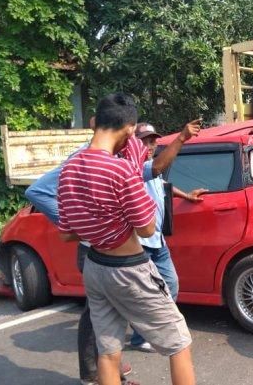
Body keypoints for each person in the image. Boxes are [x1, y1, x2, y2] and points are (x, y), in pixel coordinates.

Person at [25, 113, 201, 385]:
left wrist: (90, 226)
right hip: (126, 263)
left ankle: (113, 361)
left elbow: (67, 232)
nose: (144, 146)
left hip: (99, 263)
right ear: (128, 129)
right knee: (178, 343)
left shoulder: (79, 166)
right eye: (139, 138)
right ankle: (90, 373)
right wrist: (102, 225)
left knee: (108, 349)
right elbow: (145, 228)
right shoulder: (116, 169)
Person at [127, 122, 207, 353]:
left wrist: (187, 195)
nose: (151, 145)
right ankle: (141, 337)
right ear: (134, 142)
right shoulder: (133, 168)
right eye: (145, 141)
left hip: (157, 240)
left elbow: (161, 183)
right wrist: (181, 137)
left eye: (153, 141)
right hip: (140, 243)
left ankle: (148, 332)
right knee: (146, 292)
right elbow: (158, 170)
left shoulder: (151, 168)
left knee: (170, 284)